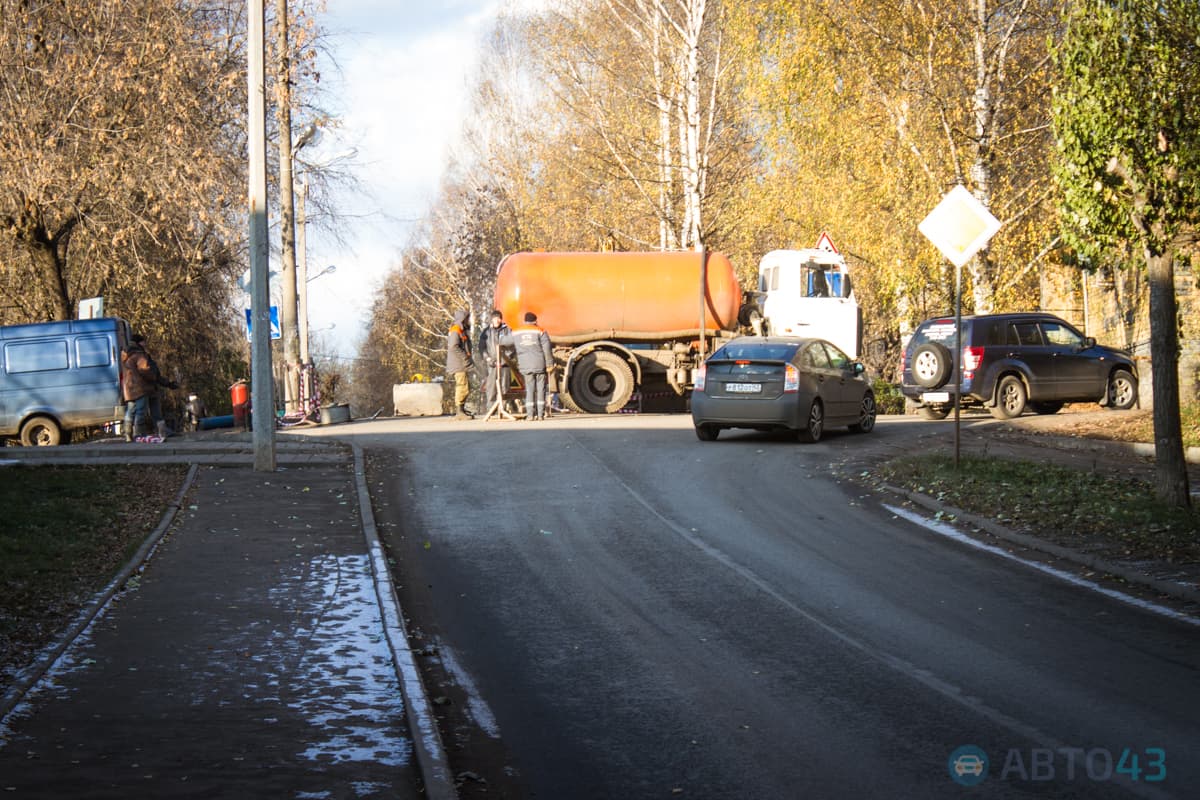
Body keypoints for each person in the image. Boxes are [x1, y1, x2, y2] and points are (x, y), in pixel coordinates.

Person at [121, 332, 178, 441]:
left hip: (129, 389)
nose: (145, 344)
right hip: (141, 388)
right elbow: (146, 370)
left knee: (131, 410)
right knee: (141, 411)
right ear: (139, 343)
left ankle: (128, 433)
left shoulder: (125, 355)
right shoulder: (139, 355)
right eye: (143, 342)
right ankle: (140, 434)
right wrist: (155, 377)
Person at [502, 312, 554, 421]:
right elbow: (547, 348)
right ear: (535, 321)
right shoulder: (540, 331)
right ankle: (540, 415)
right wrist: (549, 364)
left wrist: (501, 336)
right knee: (541, 389)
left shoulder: (516, 332)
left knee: (530, 389)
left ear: (525, 321)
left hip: (525, 365)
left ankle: (530, 415)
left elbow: (504, 341)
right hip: (539, 364)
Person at [477, 308, 512, 415]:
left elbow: (512, 347)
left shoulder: (508, 330)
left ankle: (503, 408)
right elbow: (482, 348)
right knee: (491, 387)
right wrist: (489, 360)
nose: (497, 320)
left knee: (504, 387)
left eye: (498, 318)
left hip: (504, 364)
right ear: (491, 320)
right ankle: (491, 409)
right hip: (491, 365)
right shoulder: (486, 332)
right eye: (495, 318)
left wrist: (504, 360)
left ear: (501, 320)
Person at [445, 309, 474, 420]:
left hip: (461, 363)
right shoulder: (456, 329)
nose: (469, 320)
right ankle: (459, 412)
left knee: (465, 386)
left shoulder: (461, 329)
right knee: (462, 386)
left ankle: (461, 409)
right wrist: (465, 358)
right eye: (467, 318)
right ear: (463, 319)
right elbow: (454, 347)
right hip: (459, 364)